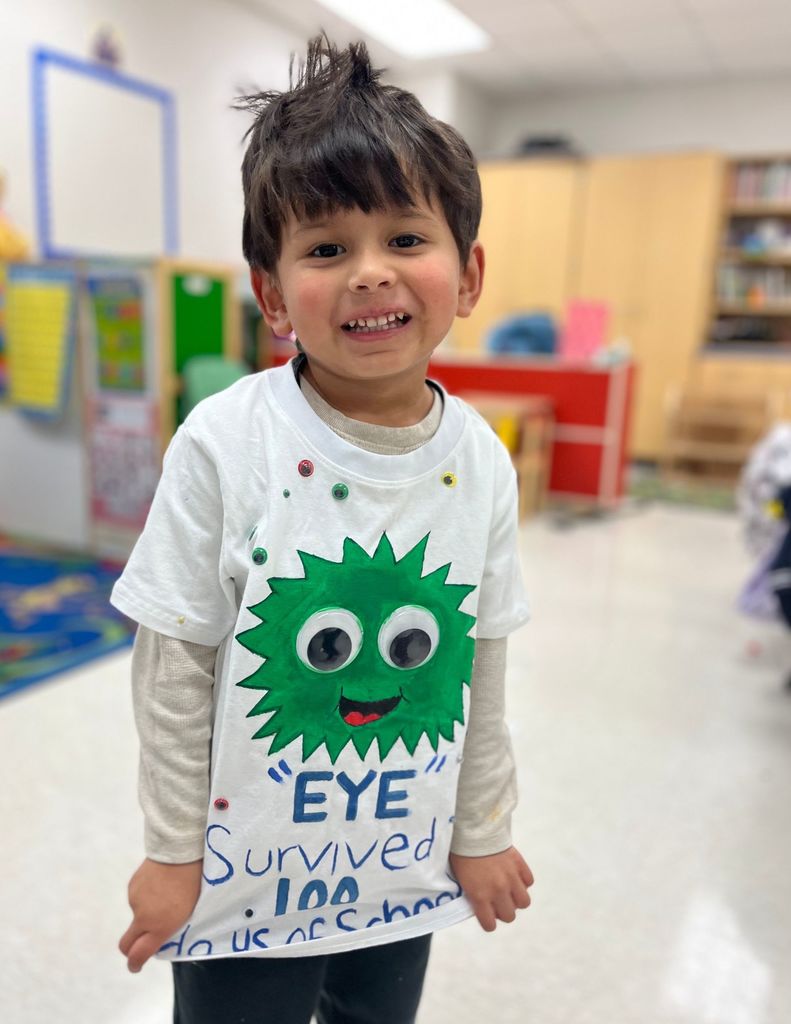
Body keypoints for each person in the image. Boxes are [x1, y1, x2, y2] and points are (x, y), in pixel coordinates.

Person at [111, 35, 534, 1024]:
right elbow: (173, 670)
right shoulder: (225, 441)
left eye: (404, 238)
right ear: (272, 293)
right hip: (245, 869)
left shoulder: (479, 460)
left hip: (399, 861)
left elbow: (481, 665)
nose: (370, 274)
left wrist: (480, 826)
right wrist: (173, 854)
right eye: (326, 248)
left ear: (466, 274)